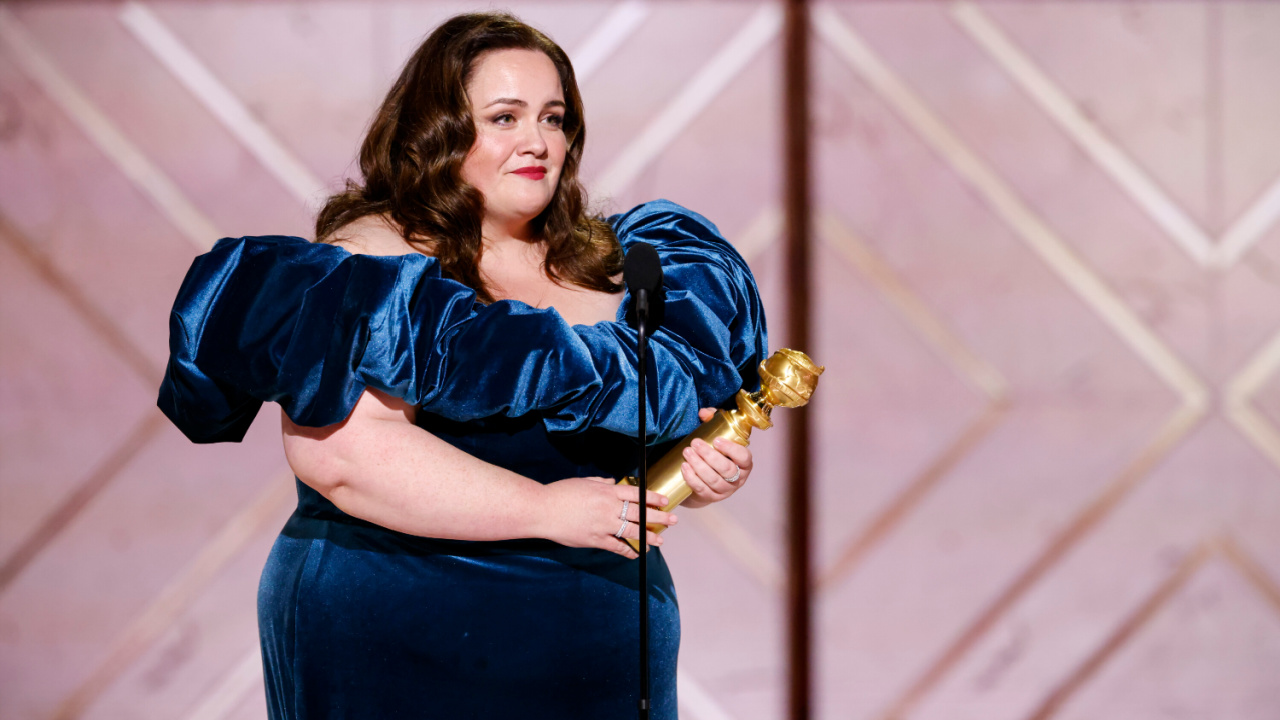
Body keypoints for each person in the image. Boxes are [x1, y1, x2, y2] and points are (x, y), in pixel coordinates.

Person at [158, 12, 768, 719]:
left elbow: (647, 444)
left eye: (553, 117)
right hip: (401, 644)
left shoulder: (614, 262)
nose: (538, 142)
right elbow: (345, 461)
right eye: (504, 118)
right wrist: (544, 509)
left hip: (599, 652)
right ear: (438, 130)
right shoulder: (376, 261)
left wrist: (703, 470)